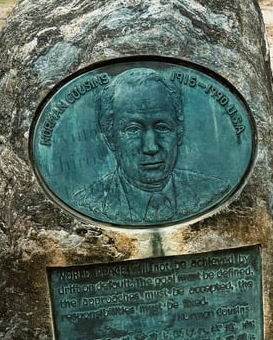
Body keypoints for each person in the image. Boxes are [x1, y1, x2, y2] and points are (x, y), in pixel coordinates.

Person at [74, 67, 229, 224]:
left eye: (162, 127)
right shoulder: (86, 203)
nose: (151, 147)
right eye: (133, 129)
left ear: (179, 132)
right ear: (110, 139)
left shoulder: (214, 192)